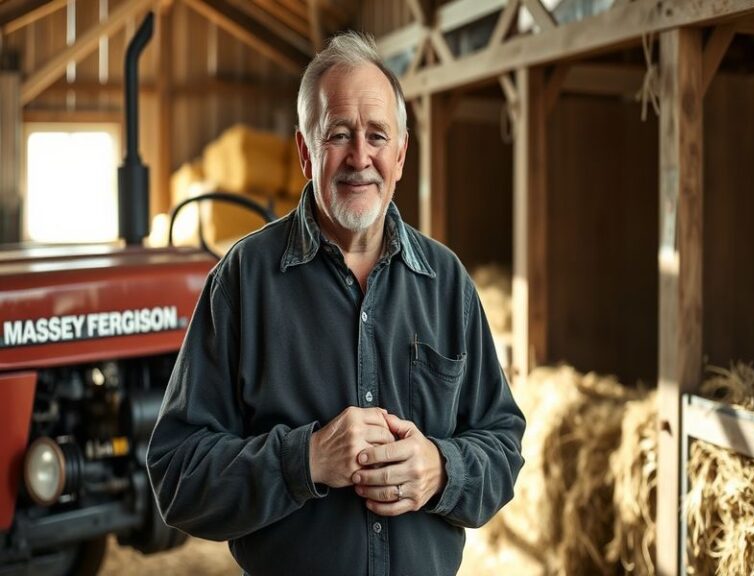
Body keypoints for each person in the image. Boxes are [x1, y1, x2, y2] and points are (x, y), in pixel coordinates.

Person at [146, 31, 525, 576]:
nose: (360, 157)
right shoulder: (243, 281)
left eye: (377, 136)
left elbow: (503, 443)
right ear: (305, 152)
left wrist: (442, 469)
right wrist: (305, 459)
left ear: (400, 155)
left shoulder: (447, 282)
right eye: (339, 135)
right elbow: (177, 476)